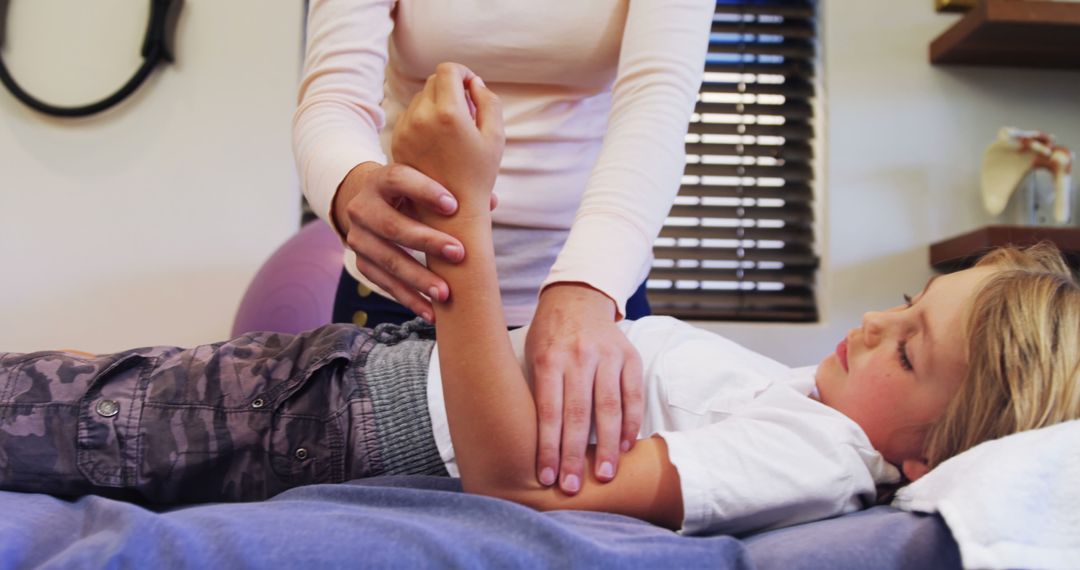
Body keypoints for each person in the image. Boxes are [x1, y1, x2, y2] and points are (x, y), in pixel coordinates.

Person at [3, 67, 1079, 535]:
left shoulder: (819, 460)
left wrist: (464, 220)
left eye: (908, 352)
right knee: (75, 397)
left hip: (343, 415)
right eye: (905, 302)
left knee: (60, 415)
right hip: (343, 381)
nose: (877, 324)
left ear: (933, 460)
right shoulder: (816, 410)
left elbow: (514, 479)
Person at [292, 0, 714, 494]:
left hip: (595, 304)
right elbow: (333, 97)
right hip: (402, 292)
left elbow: (658, 102)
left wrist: (587, 285)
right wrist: (350, 186)